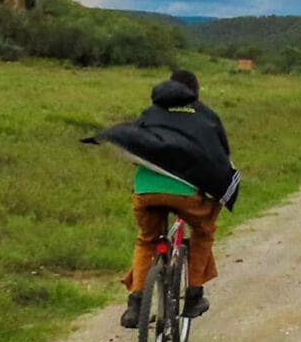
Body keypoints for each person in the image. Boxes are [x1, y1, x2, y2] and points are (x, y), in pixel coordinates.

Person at [84, 69, 240, 328]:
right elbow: (220, 156)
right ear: (194, 93)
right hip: (189, 194)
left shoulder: (150, 114)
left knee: (146, 240)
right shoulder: (206, 116)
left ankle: (135, 303)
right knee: (203, 232)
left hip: (146, 191)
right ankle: (193, 295)